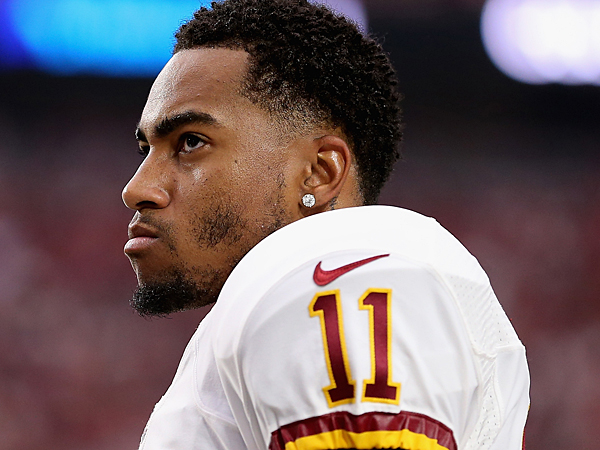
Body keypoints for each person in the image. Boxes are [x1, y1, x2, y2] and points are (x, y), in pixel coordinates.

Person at [121, 0, 530, 449]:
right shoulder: (282, 292)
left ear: (319, 171)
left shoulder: (337, 269)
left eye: (190, 142)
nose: (138, 188)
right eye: (147, 150)